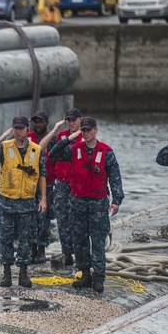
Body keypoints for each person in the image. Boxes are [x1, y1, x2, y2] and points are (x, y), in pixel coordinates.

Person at [48, 117, 125, 293]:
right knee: (80, 242)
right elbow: (53, 154)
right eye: (84, 130)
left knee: (97, 242)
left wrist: (116, 201)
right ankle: (84, 274)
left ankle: (98, 277)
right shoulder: (74, 150)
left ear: (96, 130)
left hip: (98, 204)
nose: (87, 133)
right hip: (78, 204)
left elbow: (115, 178)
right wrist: (67, 138)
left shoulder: (106, 152)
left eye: (89, 130)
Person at [0, 115, 47, 288]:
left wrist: (43, 199)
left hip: (27, 203)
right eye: (16, 128)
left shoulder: (36, 150)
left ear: (27, 129)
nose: (18, 131)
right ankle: (7, 273)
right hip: (6, 202)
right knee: (5, 239)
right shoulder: (4, 148)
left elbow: (42, 175)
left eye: (21, 128)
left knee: (26, 240)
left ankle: (23, 273)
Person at [40, 107, 84, 267]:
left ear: (80, 119)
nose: (72, 123)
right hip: (62, 183)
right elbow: (46, 154)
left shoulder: (85, 136)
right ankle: (67, 252)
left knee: (78, 220)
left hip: (78, 185)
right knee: (62, 219)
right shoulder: (61, 137)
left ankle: (81, 254)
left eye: (74, 119)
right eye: (69, 120)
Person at [29, 110, 53, 264]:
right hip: (29, 184)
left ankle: (42, 248)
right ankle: (31, 248)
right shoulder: (27, 137)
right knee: (30, 217)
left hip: (48, 183)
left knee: (43, 218)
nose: (38, 124)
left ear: (46, 123)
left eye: (41, 121)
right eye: (35, 121)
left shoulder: (52, 138)